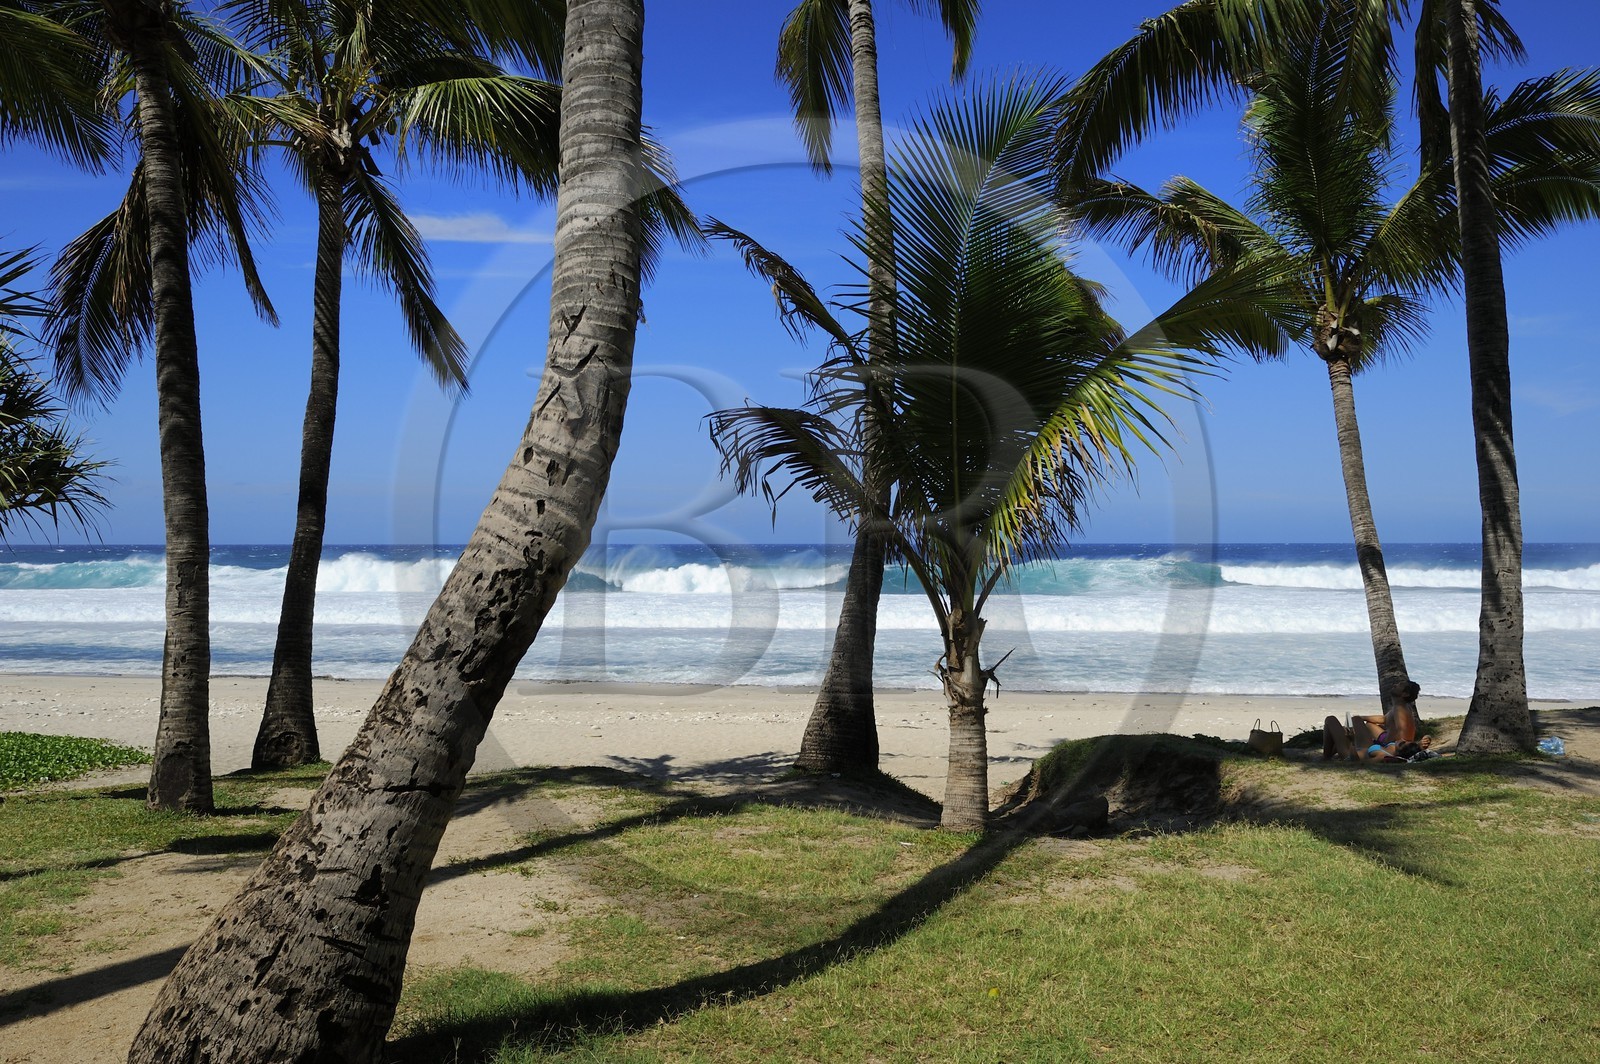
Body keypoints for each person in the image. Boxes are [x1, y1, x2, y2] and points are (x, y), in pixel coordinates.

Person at [1322, 680, 1432, 761]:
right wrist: (1362, 717)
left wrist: (1352, 741)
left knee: (1330, 720)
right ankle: (1332, 752)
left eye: (1399, 685)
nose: (1395, 684)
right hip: (1370, 748)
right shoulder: (1400, 706)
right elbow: (1384, 719)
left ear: (1405, 694)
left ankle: (1326, 757)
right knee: (1355, 721)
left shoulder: (1400, 709)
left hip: (1356, 753)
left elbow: (1402, 731)